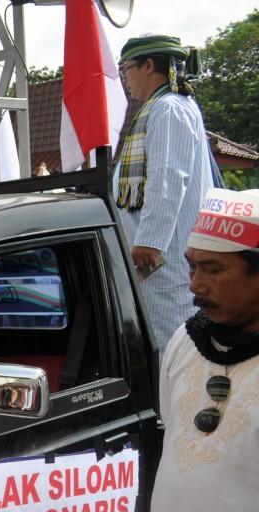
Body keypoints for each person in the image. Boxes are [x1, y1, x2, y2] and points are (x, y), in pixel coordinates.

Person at [116, 189, 259, 512]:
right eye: (192, 266)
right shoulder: (184, 340)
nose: (195, 284)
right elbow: (175, 439)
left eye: (215, 270)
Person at [113, 35, 214, 354]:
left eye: (126, 69)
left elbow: (168, 178)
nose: (124, 79)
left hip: (163, 257)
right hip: (155, 259)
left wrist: (149, 242)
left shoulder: (170, 107)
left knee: (174, 340)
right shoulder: (156, 108)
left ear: (148, 66)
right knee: (160, 337)